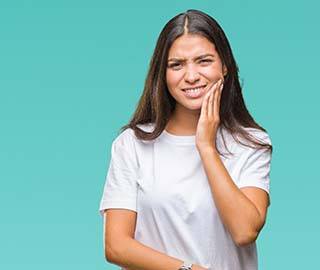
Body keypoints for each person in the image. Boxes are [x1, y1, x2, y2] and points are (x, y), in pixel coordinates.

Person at [99, 9, 273, 270]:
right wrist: (188, 269)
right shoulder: (132, 145)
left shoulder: (250, 143)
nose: (191, 76)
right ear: (163, 73)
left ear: (224, 66)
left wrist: (206, 147)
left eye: (203, 61)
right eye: (176, 65)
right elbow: (116, 246)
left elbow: (244, 231)